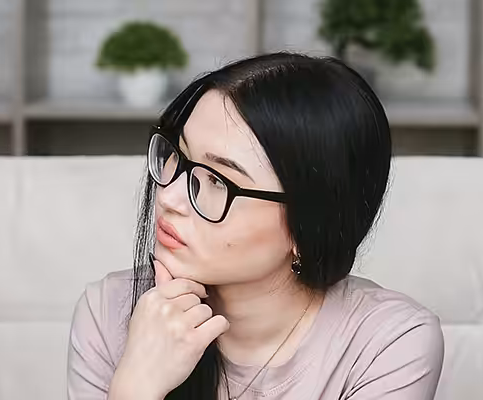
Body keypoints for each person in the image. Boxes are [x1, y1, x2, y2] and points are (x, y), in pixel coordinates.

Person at [67, 53, 444, 400]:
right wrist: (136, 386)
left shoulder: (388, 343)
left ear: (307, 227)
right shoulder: (109, 313)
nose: (169, 197)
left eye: (217, 180)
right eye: (178, 155)